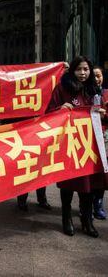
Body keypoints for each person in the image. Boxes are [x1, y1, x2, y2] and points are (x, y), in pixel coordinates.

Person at [48, 56, 108, 237]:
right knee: (68, 185)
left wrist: (103, 113)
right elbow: (48, 113)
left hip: (90, 144)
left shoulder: (94, 90)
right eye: (79, 69)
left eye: (86, 70)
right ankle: (67, 219)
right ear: (72, 71)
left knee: (89, 186)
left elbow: (103, 115)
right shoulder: (62, 89)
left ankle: (87, 221)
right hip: (69, 144)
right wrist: (60, 109)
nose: (83, 73)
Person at [93, 65, 107, 220]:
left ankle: (98, 204)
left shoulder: (107, 94)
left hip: (104, 140)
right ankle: (87, 205)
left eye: (99, 75)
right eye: (94, 76)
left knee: (102, 173)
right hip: (87, 139)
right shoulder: (84, 93)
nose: (97, 79)